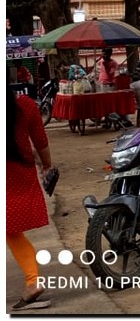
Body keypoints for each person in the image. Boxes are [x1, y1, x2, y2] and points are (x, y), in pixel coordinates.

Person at [7, 87, 54, 310]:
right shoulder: (25, 105)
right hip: (19, 173)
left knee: (11, 231)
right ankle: (32, 281)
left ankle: (33, 281)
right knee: (11, 230)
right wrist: (47, 165)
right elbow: (40, 141)